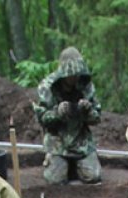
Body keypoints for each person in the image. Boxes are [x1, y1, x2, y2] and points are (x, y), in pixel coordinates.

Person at [32, 47, 102, 186]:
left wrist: (87, 110)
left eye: (77, 74)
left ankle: (76, 165)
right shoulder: (47, 87)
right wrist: (57, 113)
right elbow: (42, 118)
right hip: (57, 142)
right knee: (55, 180)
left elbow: (97, 118)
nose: (74, 78)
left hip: (81, 142)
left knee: (94, 177)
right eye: (71, 75)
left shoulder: (86, 85)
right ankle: (58, 163)